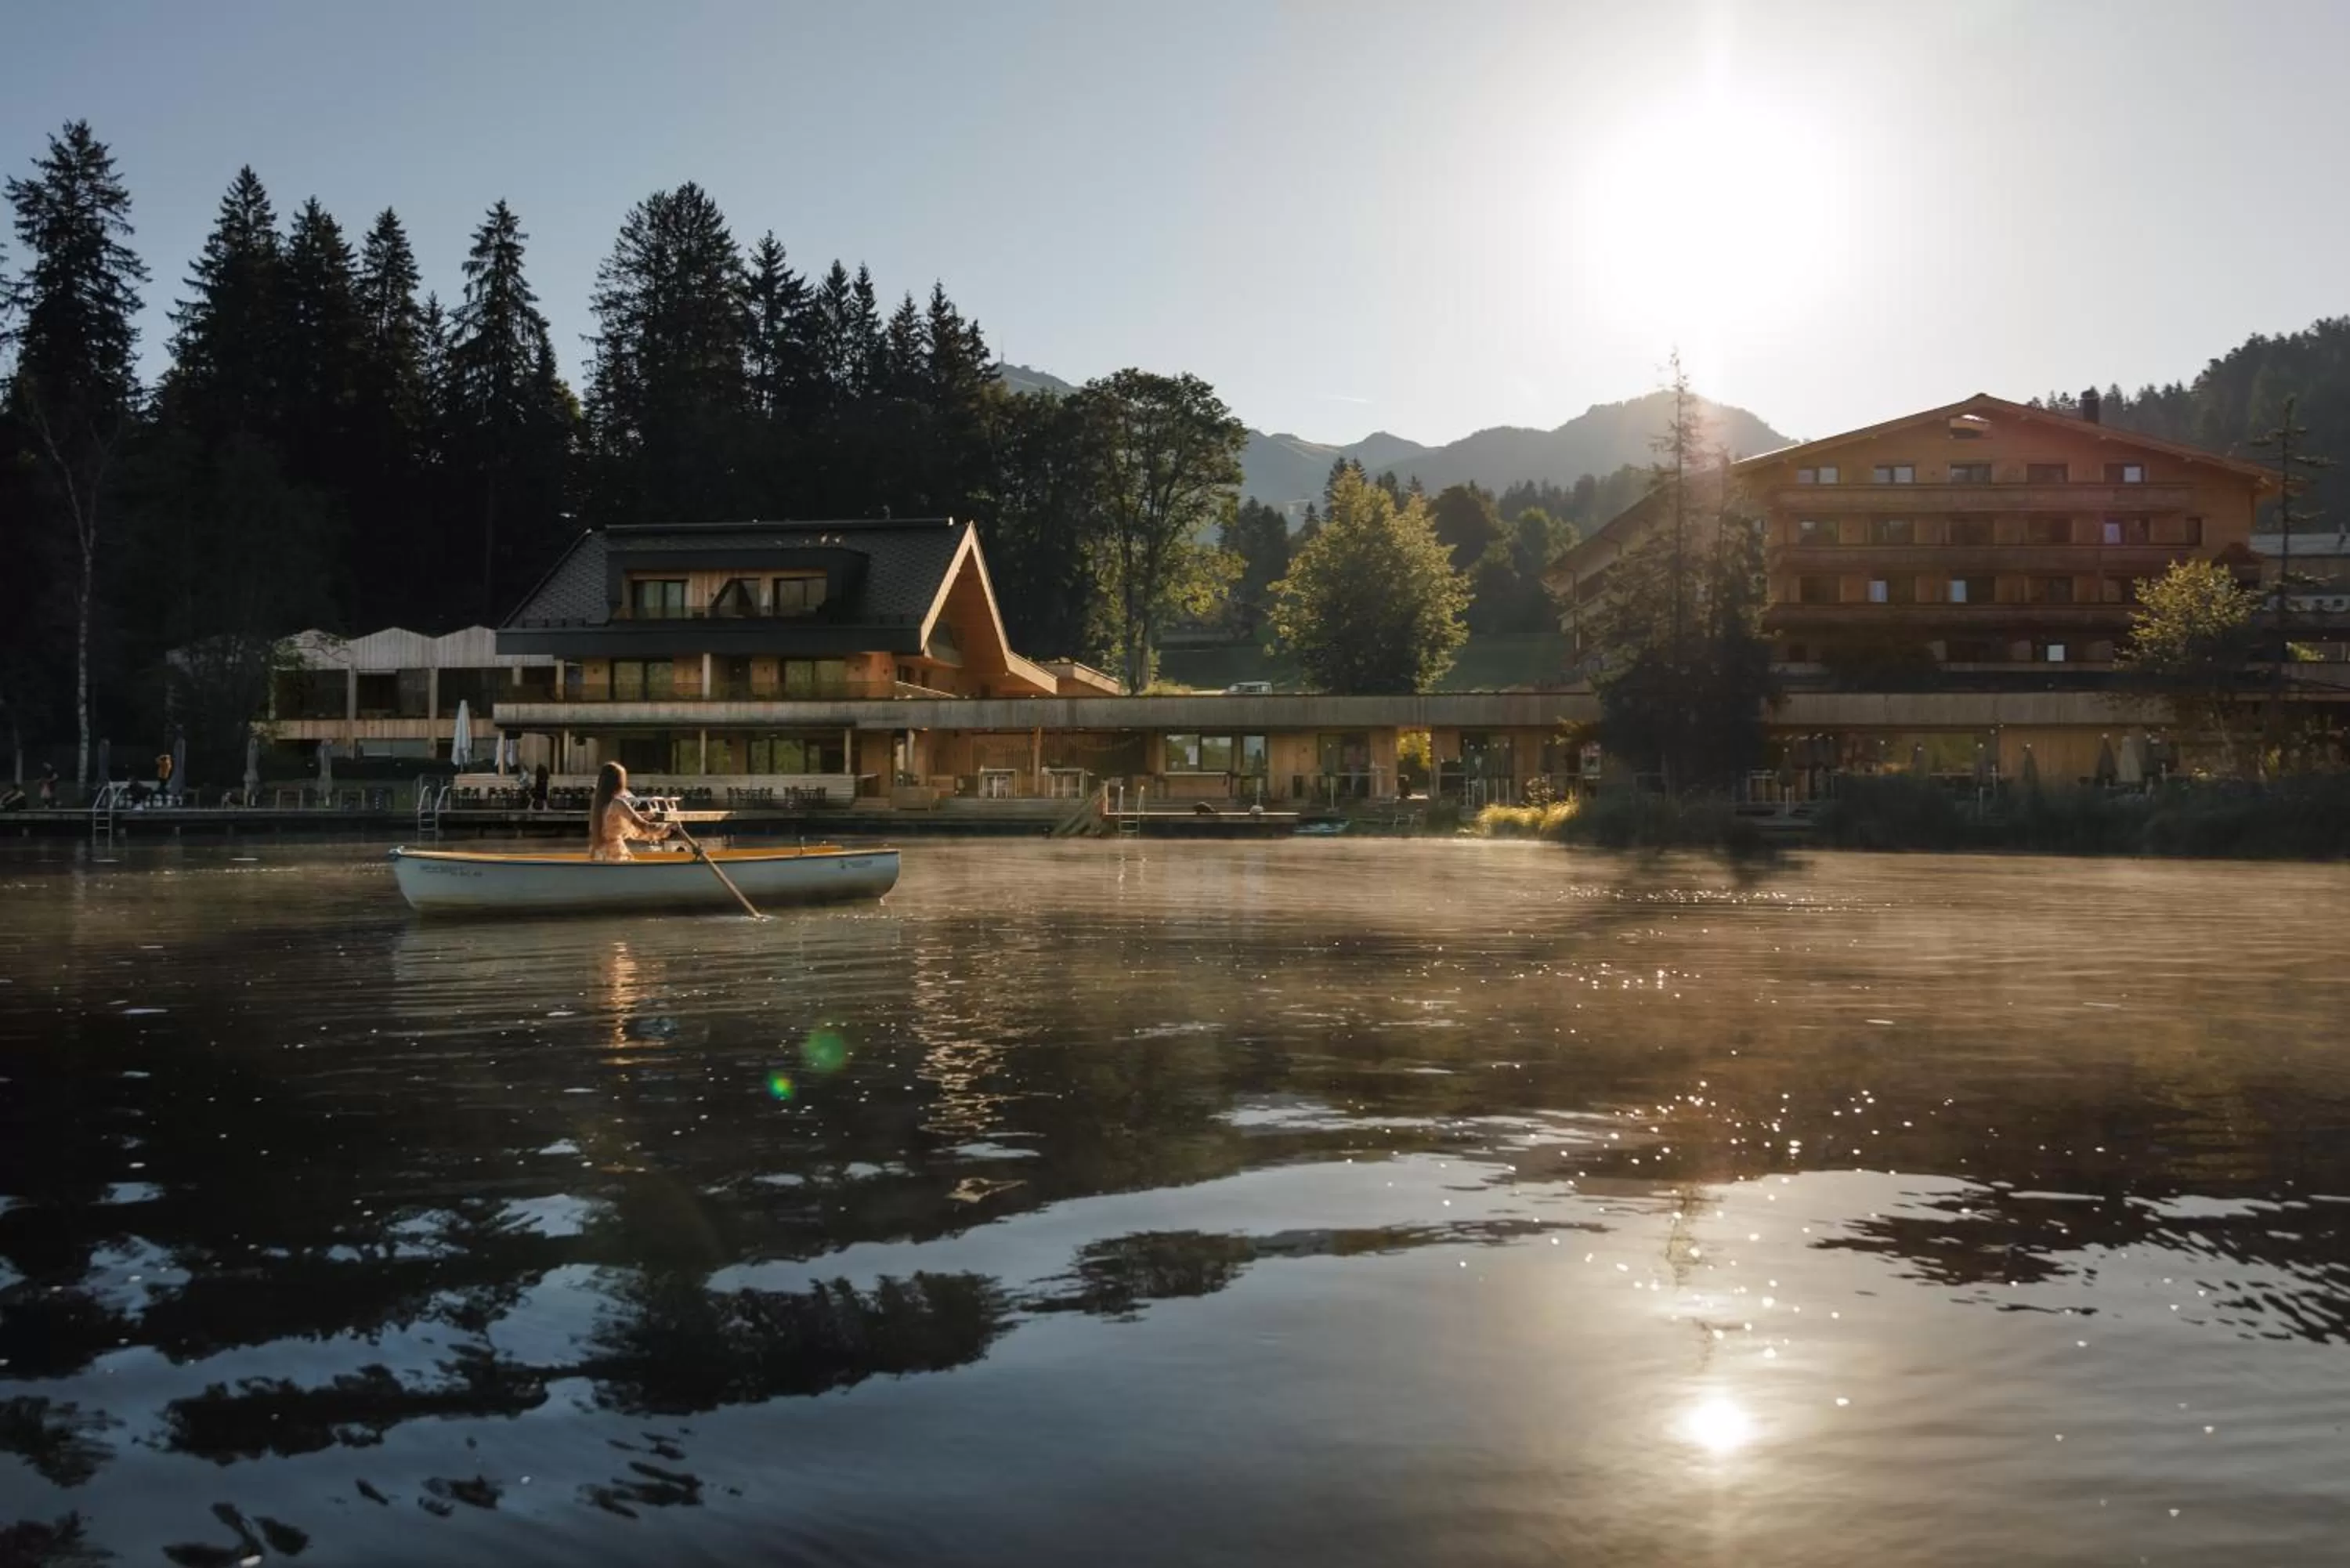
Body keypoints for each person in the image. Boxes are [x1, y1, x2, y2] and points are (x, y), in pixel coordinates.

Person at [588, 761, 672, 862]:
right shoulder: (618, 803)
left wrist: (641, 815)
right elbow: (644, 826)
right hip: (616, 856)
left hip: (599, 855)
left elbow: (612, 821)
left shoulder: (598, 804)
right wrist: (668, 826)